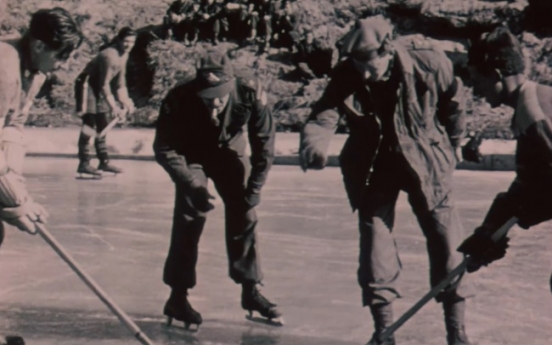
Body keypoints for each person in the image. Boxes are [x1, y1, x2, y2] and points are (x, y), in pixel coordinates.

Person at [299, 16, 471, 345]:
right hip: (375, 164)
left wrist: (456, 142)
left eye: (369, 63)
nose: (363, 72)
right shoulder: (349, 72)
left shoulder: (429, 60)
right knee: (375, 246)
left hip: (426, 161)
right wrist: (314, 145)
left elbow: (454, 100)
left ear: (387, 49)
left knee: (447, 243)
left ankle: (457, 332)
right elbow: (325, 112)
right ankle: (383, 330)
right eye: (357, 63)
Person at [153, 51, 280, 328]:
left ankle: (251, 290)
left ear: (231, 83)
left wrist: (254, 189)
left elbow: (264, 144)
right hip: (192, 154)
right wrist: (190, 182)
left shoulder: (249, 91)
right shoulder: (179, 96)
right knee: (190, 215)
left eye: (220, 95)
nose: (215, 103)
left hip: (229, 150)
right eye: (207, 97)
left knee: (244, 214)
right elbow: (164, 147)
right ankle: (177, 296)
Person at [0, 7, 84, 342]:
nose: (62, 65)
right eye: (60, 56)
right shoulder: (3, 68)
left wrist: (15, 187)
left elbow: (12, 129)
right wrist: (16, 202)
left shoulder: (33, 71)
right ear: (37, 44)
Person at [457, 26, 552, 293]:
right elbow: (531, 179)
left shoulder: (534, 115)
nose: (475, 91)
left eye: (477, 79)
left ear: (497, 76)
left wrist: (523, 213)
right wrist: (490, 229)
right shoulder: (531, 102)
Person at [74, 27, 137, 177]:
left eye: (132, 42)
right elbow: (104, 84)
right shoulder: (109, 55)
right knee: (90, 124)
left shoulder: (124, 55)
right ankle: (84, 164)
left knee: (103, 123)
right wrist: (114, 106)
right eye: (126, 41)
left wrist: (126, 101)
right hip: (87, 85)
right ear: (119, 40)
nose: (129, 45)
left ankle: (104, 162)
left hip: (100, 87)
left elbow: (120, 83)